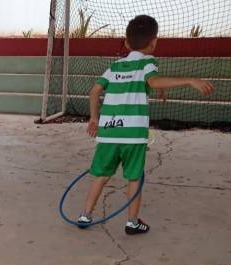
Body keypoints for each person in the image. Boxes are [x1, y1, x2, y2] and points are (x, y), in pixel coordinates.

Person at [78, 15, 214, 234]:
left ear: (126, 42)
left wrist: (94, 118)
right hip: (132, 135)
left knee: (102, 175)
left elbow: (95, 90)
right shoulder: (148, 62)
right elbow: (152, 80)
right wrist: (189, 80)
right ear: (154, 42)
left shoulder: (114, 66)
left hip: (109, 133)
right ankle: (132, 223)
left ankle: (85, 215)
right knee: (134, 176)